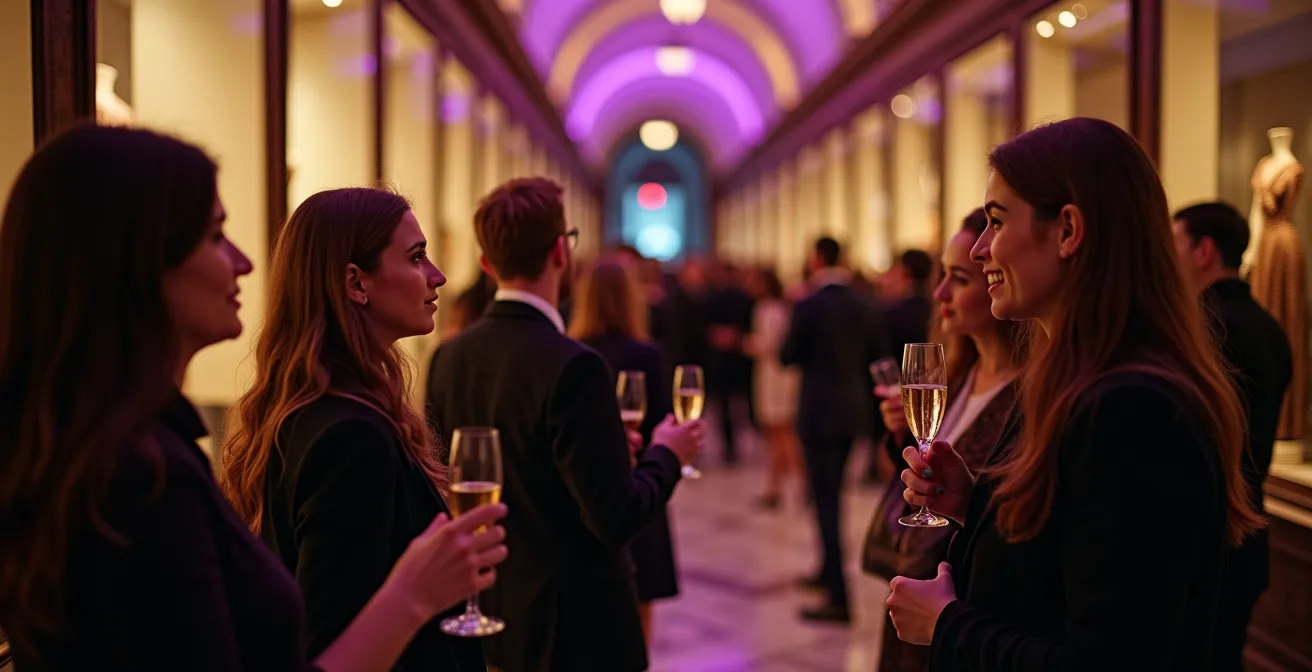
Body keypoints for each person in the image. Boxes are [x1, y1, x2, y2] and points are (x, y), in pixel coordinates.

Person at [0, 125, 508, 671]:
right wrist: (412, 595)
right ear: (140, 263)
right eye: (216, 236)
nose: (243, 262)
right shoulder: (136, 476)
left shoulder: (132, 447)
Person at [886, 117, 1263, 670]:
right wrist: (976, 506)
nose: (983, 249)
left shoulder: (1132, 408)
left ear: (1067, 231)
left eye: (996, 221)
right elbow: (1069, 561)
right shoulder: (1069, 380)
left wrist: (947, 625)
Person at [426, 177, 704, 672]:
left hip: (489, 604)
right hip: (575, 623)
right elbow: (616, 516)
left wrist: (609, 448)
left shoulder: (450, 356)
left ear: (488, 264)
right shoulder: (575, 364)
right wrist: (667, 452)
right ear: (561, 252)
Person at [218, 187, 486, 670]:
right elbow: (330, 640)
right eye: (417, 257)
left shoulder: (313, 409)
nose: (438, 275)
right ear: (355, 282)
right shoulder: (352, 437)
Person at [865, 209, 1022, 672]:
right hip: (917, 603)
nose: (939, 295)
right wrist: (901, 439)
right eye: (941, 276)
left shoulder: (1029, 394)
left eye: (959, 279)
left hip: (964, 617)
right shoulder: (956, 374)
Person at [1172, 201, 1292, 671]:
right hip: (1249, 537)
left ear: (1204, 251)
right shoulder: (1271, 327)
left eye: (1174, 245)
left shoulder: (1200, 328)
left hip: (1201, 543)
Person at [567, 259, 680, 648]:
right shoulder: (646, 354)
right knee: (641, 593)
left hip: (586, 490)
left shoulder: (572, 351)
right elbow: (664, 421)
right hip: (641, 480)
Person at [781, 236, 886, 624]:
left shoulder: (808, 304)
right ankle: (827, 571)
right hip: (852, 412)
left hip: (818, 413)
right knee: (833, 495)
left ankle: (839, 597)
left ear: (817, 258)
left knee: (825, 501)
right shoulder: (864, 303)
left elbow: (787, 355)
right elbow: (879, 356)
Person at [741, 266, 802, 510]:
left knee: (780, 432)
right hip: (781, 375)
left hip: (774, 375)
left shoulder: (766, 309)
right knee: (780, 432)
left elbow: (771, 343)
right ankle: (776, 486)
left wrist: (748, 343)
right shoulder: (782, 307)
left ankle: (797, 484)